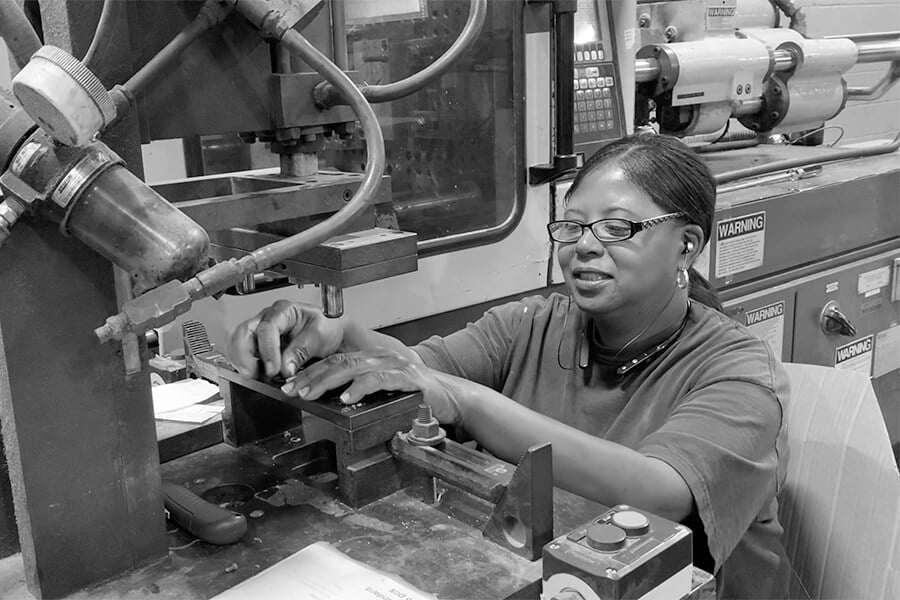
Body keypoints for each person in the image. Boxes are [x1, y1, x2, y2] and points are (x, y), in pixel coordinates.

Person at [227, 134, 792, 600]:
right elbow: (417, 371)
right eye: (571, 226)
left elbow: (659, 492)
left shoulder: (740, 371)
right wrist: (336, 337)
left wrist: (466, 402)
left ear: (687, 244)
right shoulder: (531, 322)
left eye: (617, 229)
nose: (584, 248)